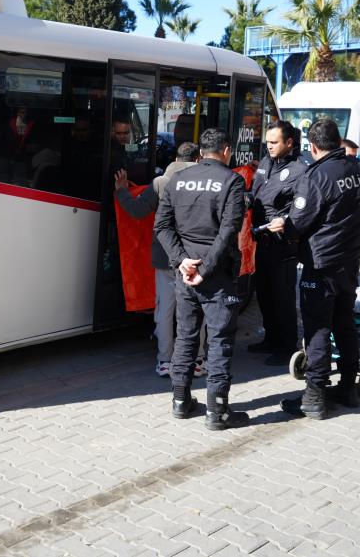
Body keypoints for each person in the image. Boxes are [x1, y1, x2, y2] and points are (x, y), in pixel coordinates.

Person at [269, 118, 360, 420]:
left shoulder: (316, 176)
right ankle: (347, 387)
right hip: (349, 259)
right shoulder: (359, 167)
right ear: (338, 141)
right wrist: (352, 219)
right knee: (344, 322)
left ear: (311, 147)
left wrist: (285, 226)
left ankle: (314, 395)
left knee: (318, 326)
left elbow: (298, 223)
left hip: (320, 262)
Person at [154, 128, 249, 430]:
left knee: (185, 336)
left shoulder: (178, 180)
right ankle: (217, 412)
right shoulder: (232, 180)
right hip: (215, 274)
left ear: (199, 155)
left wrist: (182, 262)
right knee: (219, 342)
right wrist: (205, 268)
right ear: (225, 151)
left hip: (185, 273)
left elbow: (162, 227)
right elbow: (228, 231)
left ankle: (180, 401)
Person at [114, 142, 205, 377]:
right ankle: (197, 360)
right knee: (196, 309)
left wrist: (122, 189)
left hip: (167, 257)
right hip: (197, 257)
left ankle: (165, 361)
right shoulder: (206, 181)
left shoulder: (160, 183)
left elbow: (135, 211)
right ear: (198, 158)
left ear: (175, 158)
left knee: (165, 310)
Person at [248, 121, 307, 366]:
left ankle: (287, 346)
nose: (269, 147)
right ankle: (271, 338)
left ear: (289, 143)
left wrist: (287, 222)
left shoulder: (300, 170)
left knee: (282, 297)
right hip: (260, 240)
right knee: (264, 294)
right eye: (267, 142)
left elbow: (303, 207)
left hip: (283, 244)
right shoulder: (265, 162)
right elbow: (256, 194)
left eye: (274, 143)